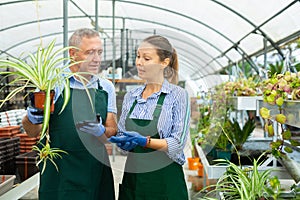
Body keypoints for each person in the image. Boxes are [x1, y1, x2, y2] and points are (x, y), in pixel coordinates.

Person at [22, 28, 117, 200]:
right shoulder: (52, 84)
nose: (97, 59)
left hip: (95, 170)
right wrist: (32, 118)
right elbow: (32, 132)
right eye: (90, 53)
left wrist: (101, 130)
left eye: (99, 52)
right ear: (72, 53)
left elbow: (112, 130)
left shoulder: (105, 88)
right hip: (60, 173)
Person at [109, 35, 190, 200]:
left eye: (146, 58)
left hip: (165, 182)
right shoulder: (131, 96)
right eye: (138, 56)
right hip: (134, 180)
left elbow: (178, 143)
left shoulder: (178, 95)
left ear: (164, 63)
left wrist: (145, 141)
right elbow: (124, 141)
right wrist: (119, 140)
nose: (139, 62)